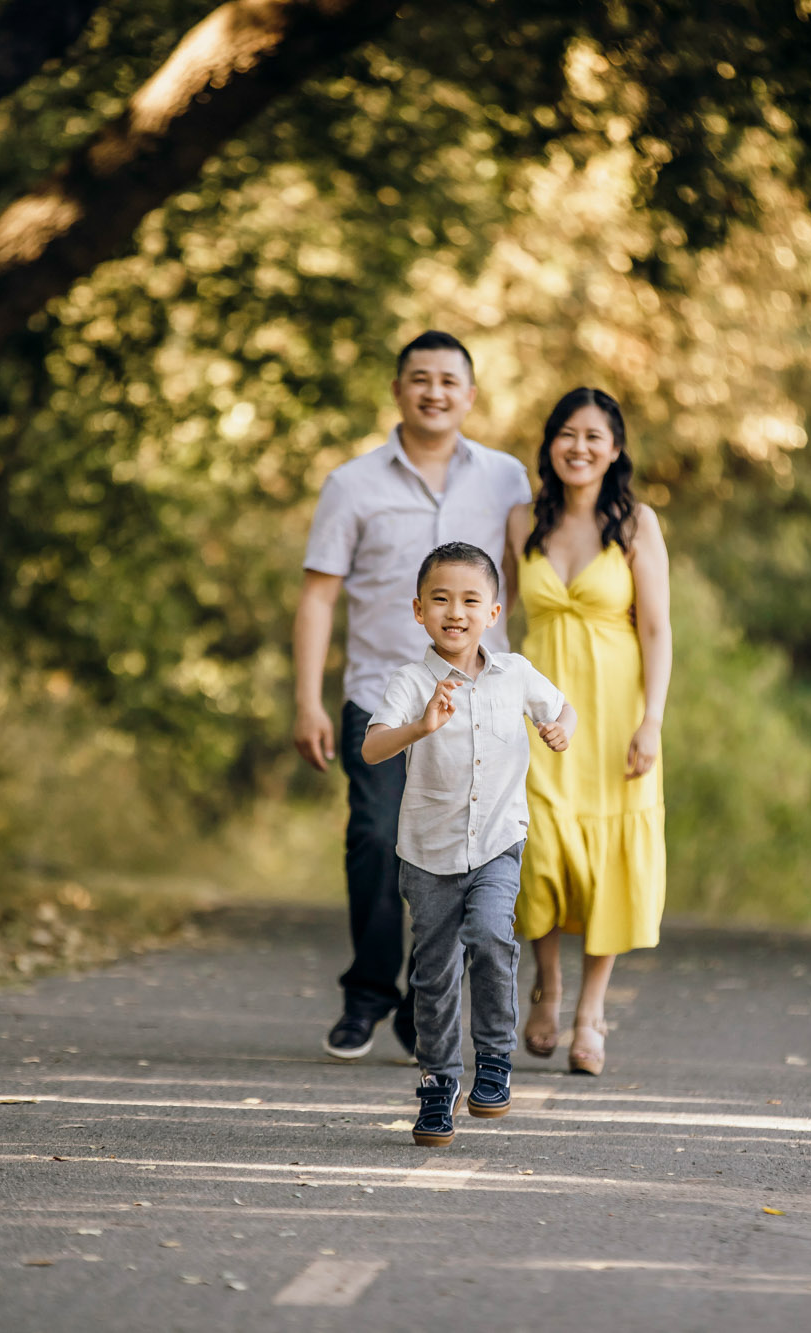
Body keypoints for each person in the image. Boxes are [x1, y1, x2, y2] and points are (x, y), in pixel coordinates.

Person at [295, 332, 535, 1061]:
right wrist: (308, 699)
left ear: (470, 393)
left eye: (449, 380)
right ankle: (368, 992)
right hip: (381, 693)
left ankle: (424, 1004)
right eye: (420, 379)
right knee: (374, 836)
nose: (435, 392)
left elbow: (524, 581)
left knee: (460, 853)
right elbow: (317, 597)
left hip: (475, 706)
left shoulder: (505, 479)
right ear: (399, 389)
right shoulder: (352, 483)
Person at [362, 543, 575, 1145]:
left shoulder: (516, 673)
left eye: (469, 600)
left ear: (494, 612)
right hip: (427, 853)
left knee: (488, 934)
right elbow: (373, 748)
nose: (455, 611)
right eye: (441, 599)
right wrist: (420, 727)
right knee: (433, 972)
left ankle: (496, 1060)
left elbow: (562, 709)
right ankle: (438, 1084)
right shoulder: (410, 681)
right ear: (418, 611)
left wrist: (560, 729)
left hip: (498, 841)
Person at [504, 387, 671, 1076]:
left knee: (607, 860)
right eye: (566, 434)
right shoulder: (521, 520)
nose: (578, 447)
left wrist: (652, 719)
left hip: (614, 717)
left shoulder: (635, 524)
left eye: (593, 436)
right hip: (538, 714)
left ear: (615, 448)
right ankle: (547, 985)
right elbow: (493, 612)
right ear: (549, 444)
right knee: (537, 851)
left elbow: (657, 628)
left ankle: (591, 1011)